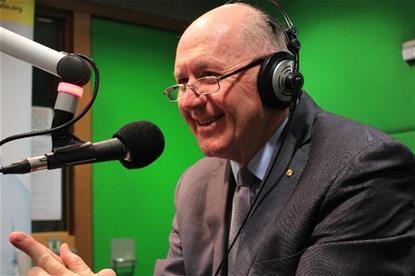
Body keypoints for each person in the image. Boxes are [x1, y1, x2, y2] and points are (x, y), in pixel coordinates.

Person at [9, 3, 415, 275]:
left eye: (209, 76)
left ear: (279, 77)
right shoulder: (195, 184)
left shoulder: (364, 168)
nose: (189, 99)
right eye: (181, 83)